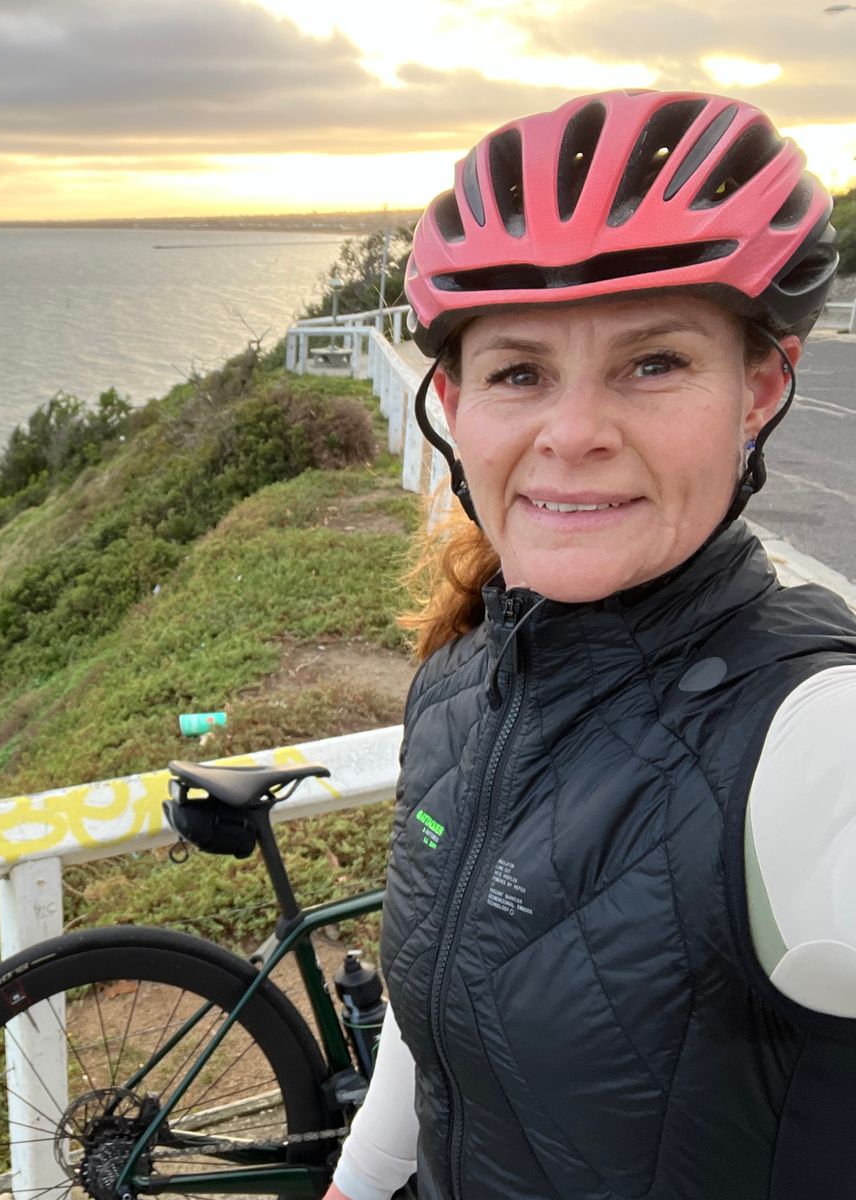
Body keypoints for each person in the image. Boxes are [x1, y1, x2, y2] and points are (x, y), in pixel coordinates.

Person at [324, 89, 856, 1200]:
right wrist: (358, 1180)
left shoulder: (813, 738)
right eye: (519, 372)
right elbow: (433, 1024)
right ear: (453, 402)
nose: (573, 435)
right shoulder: (459, 683)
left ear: (759, 389)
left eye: (653, 363)